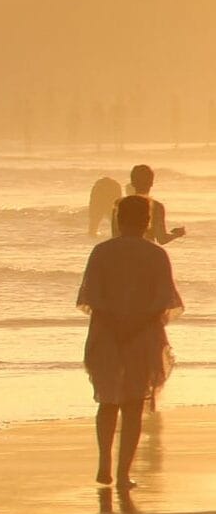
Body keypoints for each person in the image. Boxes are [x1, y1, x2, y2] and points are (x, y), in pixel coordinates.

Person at [78, 195, 182, 489]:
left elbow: (91, 298)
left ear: (118, 220)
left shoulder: (101, 252)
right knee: (134, 405)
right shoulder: (156, 254)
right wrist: (135, 325)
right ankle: (123, 474)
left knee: (107, 401)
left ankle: (104, 466)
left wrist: (115, 324)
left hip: (106, 333)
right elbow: (164, 300)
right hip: (143, 335)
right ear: (147, 222)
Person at [111, 164, 186, 245]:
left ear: (132, 183)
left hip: (122, 252)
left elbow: (115, 236)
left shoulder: (120, 204)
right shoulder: (156, 207)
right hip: (147, 253)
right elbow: (162, 239)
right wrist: (177, 234)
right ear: (151, 183)